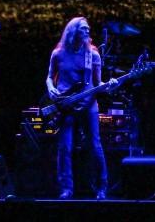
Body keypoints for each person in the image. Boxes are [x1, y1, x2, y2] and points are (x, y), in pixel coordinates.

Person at [45, 16, 108, 199]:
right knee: (64, 147)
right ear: (73, 31)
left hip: (88, 105)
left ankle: (102, 187)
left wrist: (109, 84)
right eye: (84, 28)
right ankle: (66, 189)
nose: (88, 31)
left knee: (95, 145)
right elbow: (49, 76)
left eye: (88, 29)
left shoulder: (93, 55)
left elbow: (98, 82)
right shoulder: (58, 54)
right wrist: (51, 88)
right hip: (65, 105)